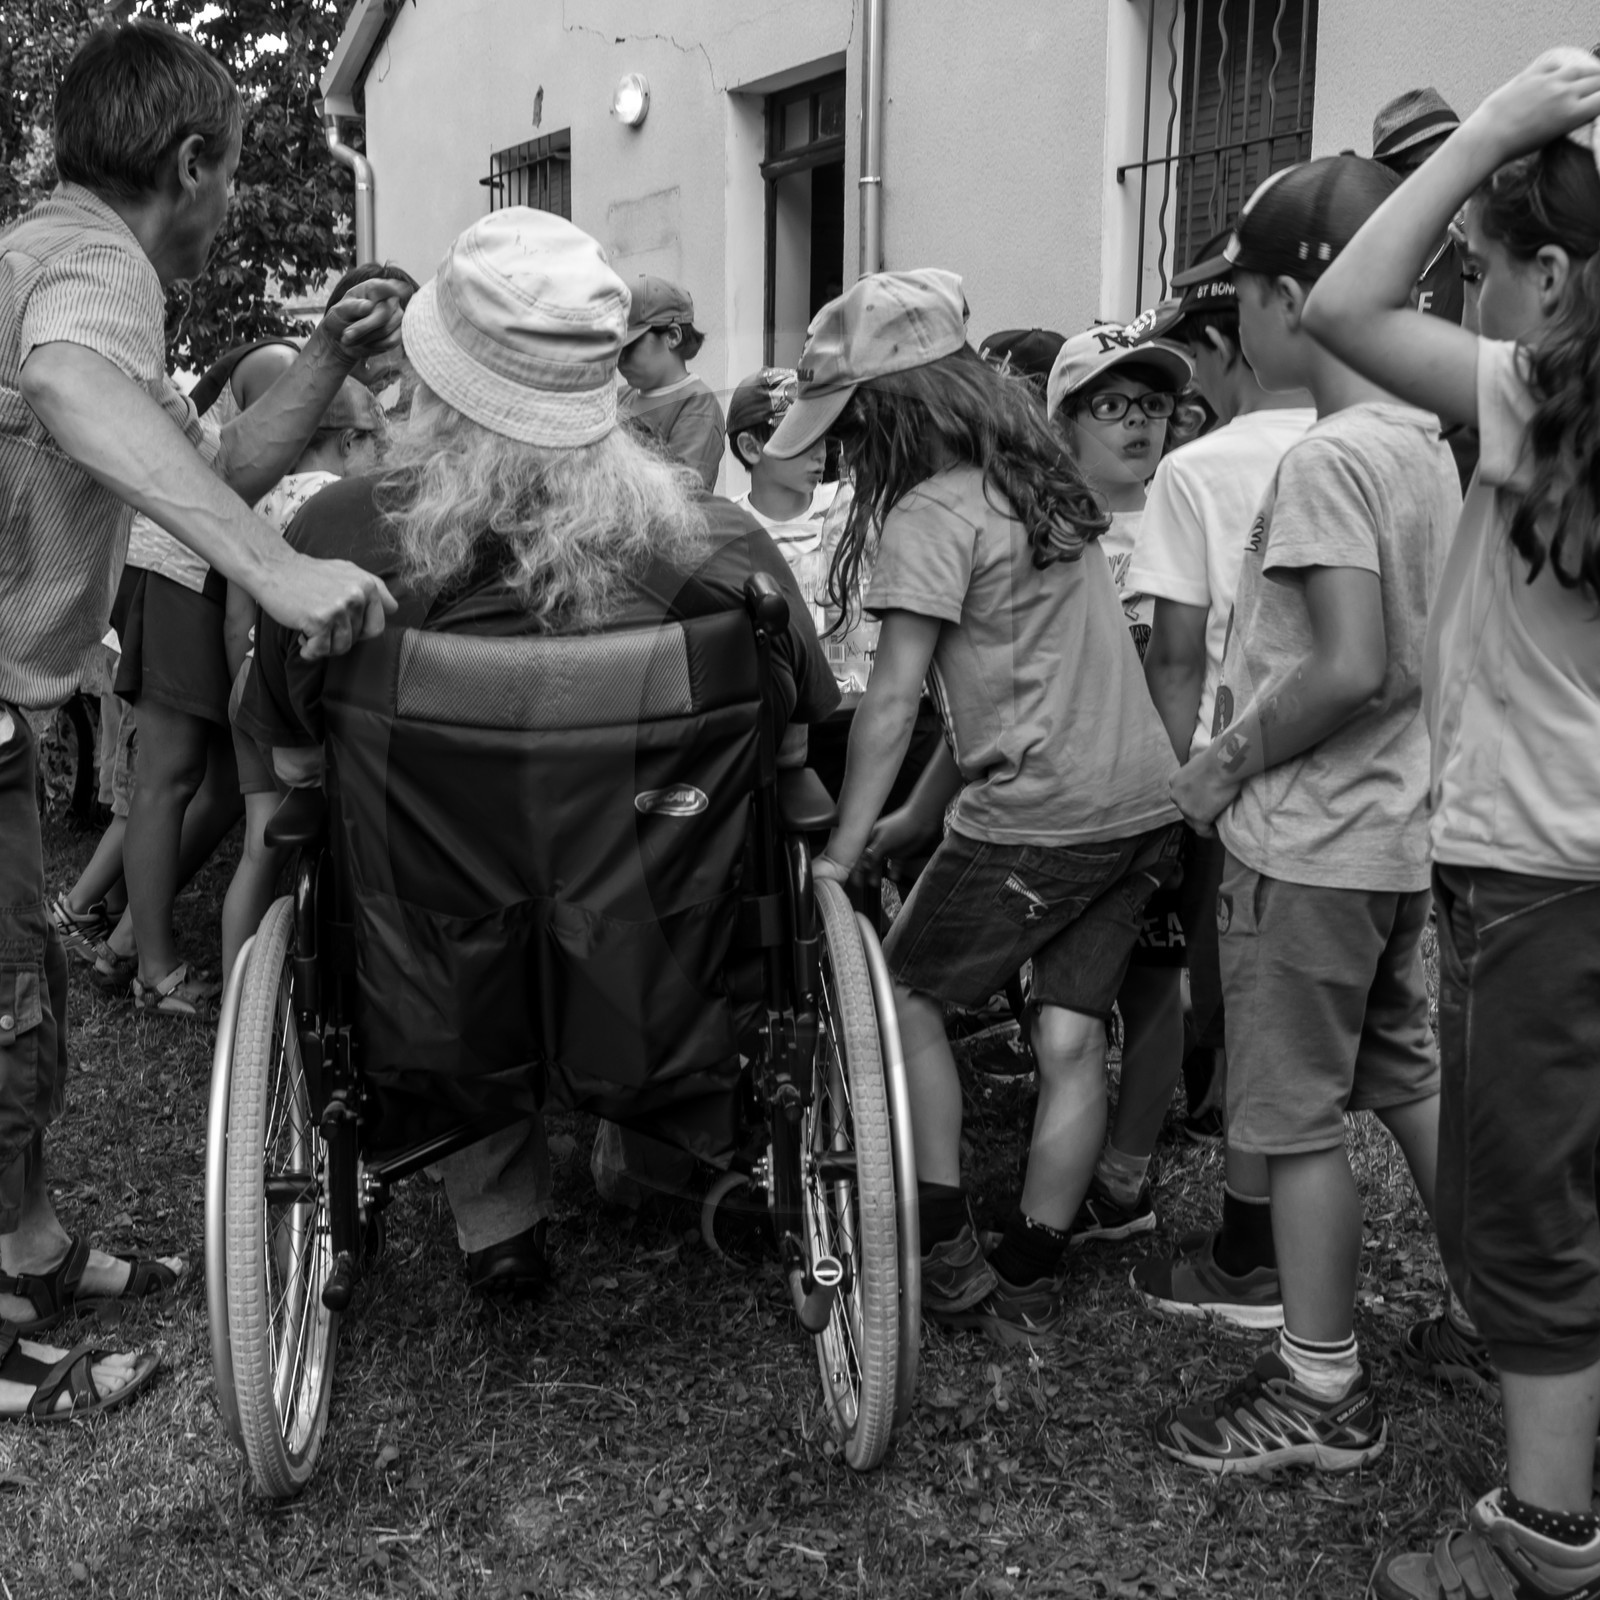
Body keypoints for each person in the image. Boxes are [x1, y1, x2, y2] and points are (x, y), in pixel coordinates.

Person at [237, 206, 838, 1299]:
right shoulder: (719, 547)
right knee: (695, 843)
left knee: (419, 872)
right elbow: (793, 742)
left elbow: (293, 770)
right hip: (659, 962)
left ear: (434, 378)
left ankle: (497, 1216)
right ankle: (657, 1143)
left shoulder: (335, 541)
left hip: (433, 977)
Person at [0, 17, 402, 1422]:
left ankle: (29, 1249)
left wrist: (327, 360)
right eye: (231, 175)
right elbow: (64, 385)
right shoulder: (95, 262)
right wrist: (276, 569)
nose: (232, 206)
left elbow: (205, 459)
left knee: (23, 992)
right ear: (191, 161)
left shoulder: (55, 253)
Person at [1304, 47, 1600, 1598]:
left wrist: (1488, 129)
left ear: (1550, 276)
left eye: (1481, 272)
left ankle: (1548, 1539)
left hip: (1538, 872)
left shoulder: (1536, 403)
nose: (1467, 303)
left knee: (1522, 1209)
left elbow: (1339, 311)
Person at [769, 268, 1182, 1346]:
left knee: (905, 991)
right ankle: (1035, 1258)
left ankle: (941, 1238)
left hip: (1036, 818)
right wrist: (915, 821)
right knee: (1068, 1035)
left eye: (848, 429)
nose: (846, 454)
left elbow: (897, 695)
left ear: (887, 414)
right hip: (1137, 803)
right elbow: (1000, 687)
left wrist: (846, 848)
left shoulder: (929, 512)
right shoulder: (1042, 481)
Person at [1149, 154, 1460, 1475]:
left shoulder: (1333, 458)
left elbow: (1349, 662)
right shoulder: (1426, 442)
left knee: (1289, 1119)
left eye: (1246, 296)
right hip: (1393, 843)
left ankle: (1322, 1389)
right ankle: (1502, 1308)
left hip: (1308, 848)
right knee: (1403, 1077)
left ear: (1292, 300)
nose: (1242, 323)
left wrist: (1222, 765)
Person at [1124, 235, 1316, 1329]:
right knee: (1385, 1054)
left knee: (1244, 1012)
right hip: (1382, 801)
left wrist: (1174, 790)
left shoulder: (1198, 471)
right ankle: (1482, 1286)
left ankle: (1251, 1253)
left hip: (1242, 788)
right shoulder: (1399, 439)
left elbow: (1178, 656)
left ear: (1218, 338)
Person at [1043, 325, 1195, 1248]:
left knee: (1155, 987)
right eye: (1112, 405)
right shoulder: (1045, 534)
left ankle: (1125, 1176)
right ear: (1064, 424)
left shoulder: (1188, 512)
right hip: (1064, 802)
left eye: (1154, 404)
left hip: (1168, 796)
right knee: (1065, 997)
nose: (1139, 423)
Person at [220, 376, 387, 982]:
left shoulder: (258, 497)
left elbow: (240, 613)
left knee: (257, 847)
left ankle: (241, 984)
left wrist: (243, 678)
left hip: (252, 681)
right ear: (347, 441)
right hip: (298, 692)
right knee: (329, 825)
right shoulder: (336, 505)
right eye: (375, 442)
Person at [617, 275, 724, 491]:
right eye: (615, 346)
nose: (619, 358)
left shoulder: (697, 405)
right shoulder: (620, 397)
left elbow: (680, 495)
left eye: (629, 346)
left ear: (673, 336)